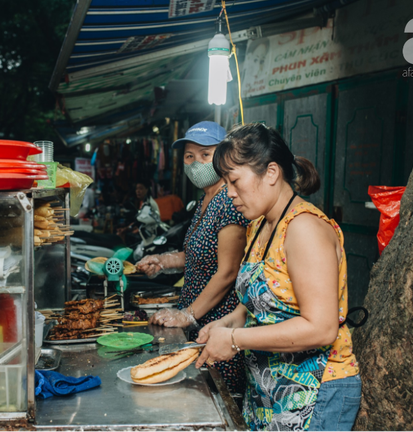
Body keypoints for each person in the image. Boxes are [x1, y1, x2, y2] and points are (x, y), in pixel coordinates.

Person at [196, 123, 360, 432]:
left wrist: (234, 340)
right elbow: (259, 305)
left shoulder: (305, 229)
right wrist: (228, 323)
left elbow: (321, 328)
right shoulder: (260, 225)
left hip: (315, 393)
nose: (229, 193)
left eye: (234, 181)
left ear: (271, 173)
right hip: (270, 389)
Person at [136, 121, 249, 395]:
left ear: (224, 157)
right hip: (196, 321)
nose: (196, 163)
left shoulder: (229, 202)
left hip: (217, 325)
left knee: (216, 399)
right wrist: (162, 261)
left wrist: (188, 314)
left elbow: (228, 270)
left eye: (205, 155)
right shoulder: (204, 201)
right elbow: (196, 255)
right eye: (190, 156)